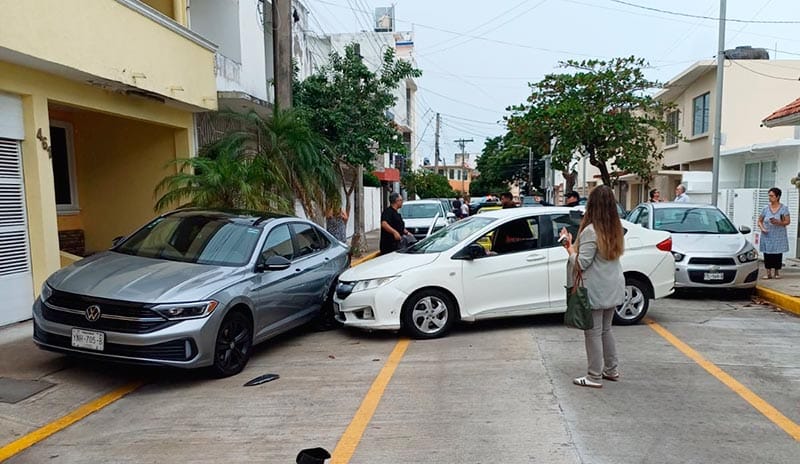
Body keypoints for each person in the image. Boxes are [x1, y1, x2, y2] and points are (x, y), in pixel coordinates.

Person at [560, 185, 625, 388]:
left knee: (593, 332)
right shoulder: (615, 228)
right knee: (606, 329)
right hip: (613, 284)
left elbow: (581, 263)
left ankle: (594, 376)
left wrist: (568, 246)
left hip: (596, 288)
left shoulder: (590, 231)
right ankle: (611, 370)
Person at [758, 187, 790, 279]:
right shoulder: (765, 208)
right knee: (767, 253)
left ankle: (776, 272)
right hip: (767, 234)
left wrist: (778, 222)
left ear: (777, 197)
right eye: (769, 196)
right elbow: (760, 220)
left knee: (777, 254)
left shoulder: (784, 208)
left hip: (778, 235)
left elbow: (787, 221)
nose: (770, 197)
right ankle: (768, 272)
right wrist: (762, 228)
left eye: (772, 196)